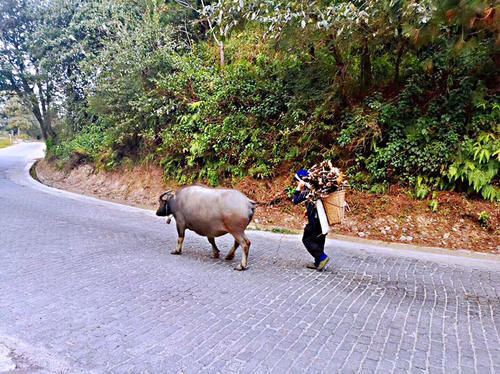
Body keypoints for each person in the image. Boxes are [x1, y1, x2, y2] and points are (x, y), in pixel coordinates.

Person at [293, 169, 330, 271]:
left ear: (301, 180)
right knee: (319, 239)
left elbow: (295, 201)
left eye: (296, 181)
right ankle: (318, 262)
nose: (295, 183)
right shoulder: (316, 188)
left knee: (307, 239)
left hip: (315, 221)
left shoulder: (307, 190)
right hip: (322, 219)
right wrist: (308, 210)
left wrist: (298, 188)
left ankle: (322, 257)